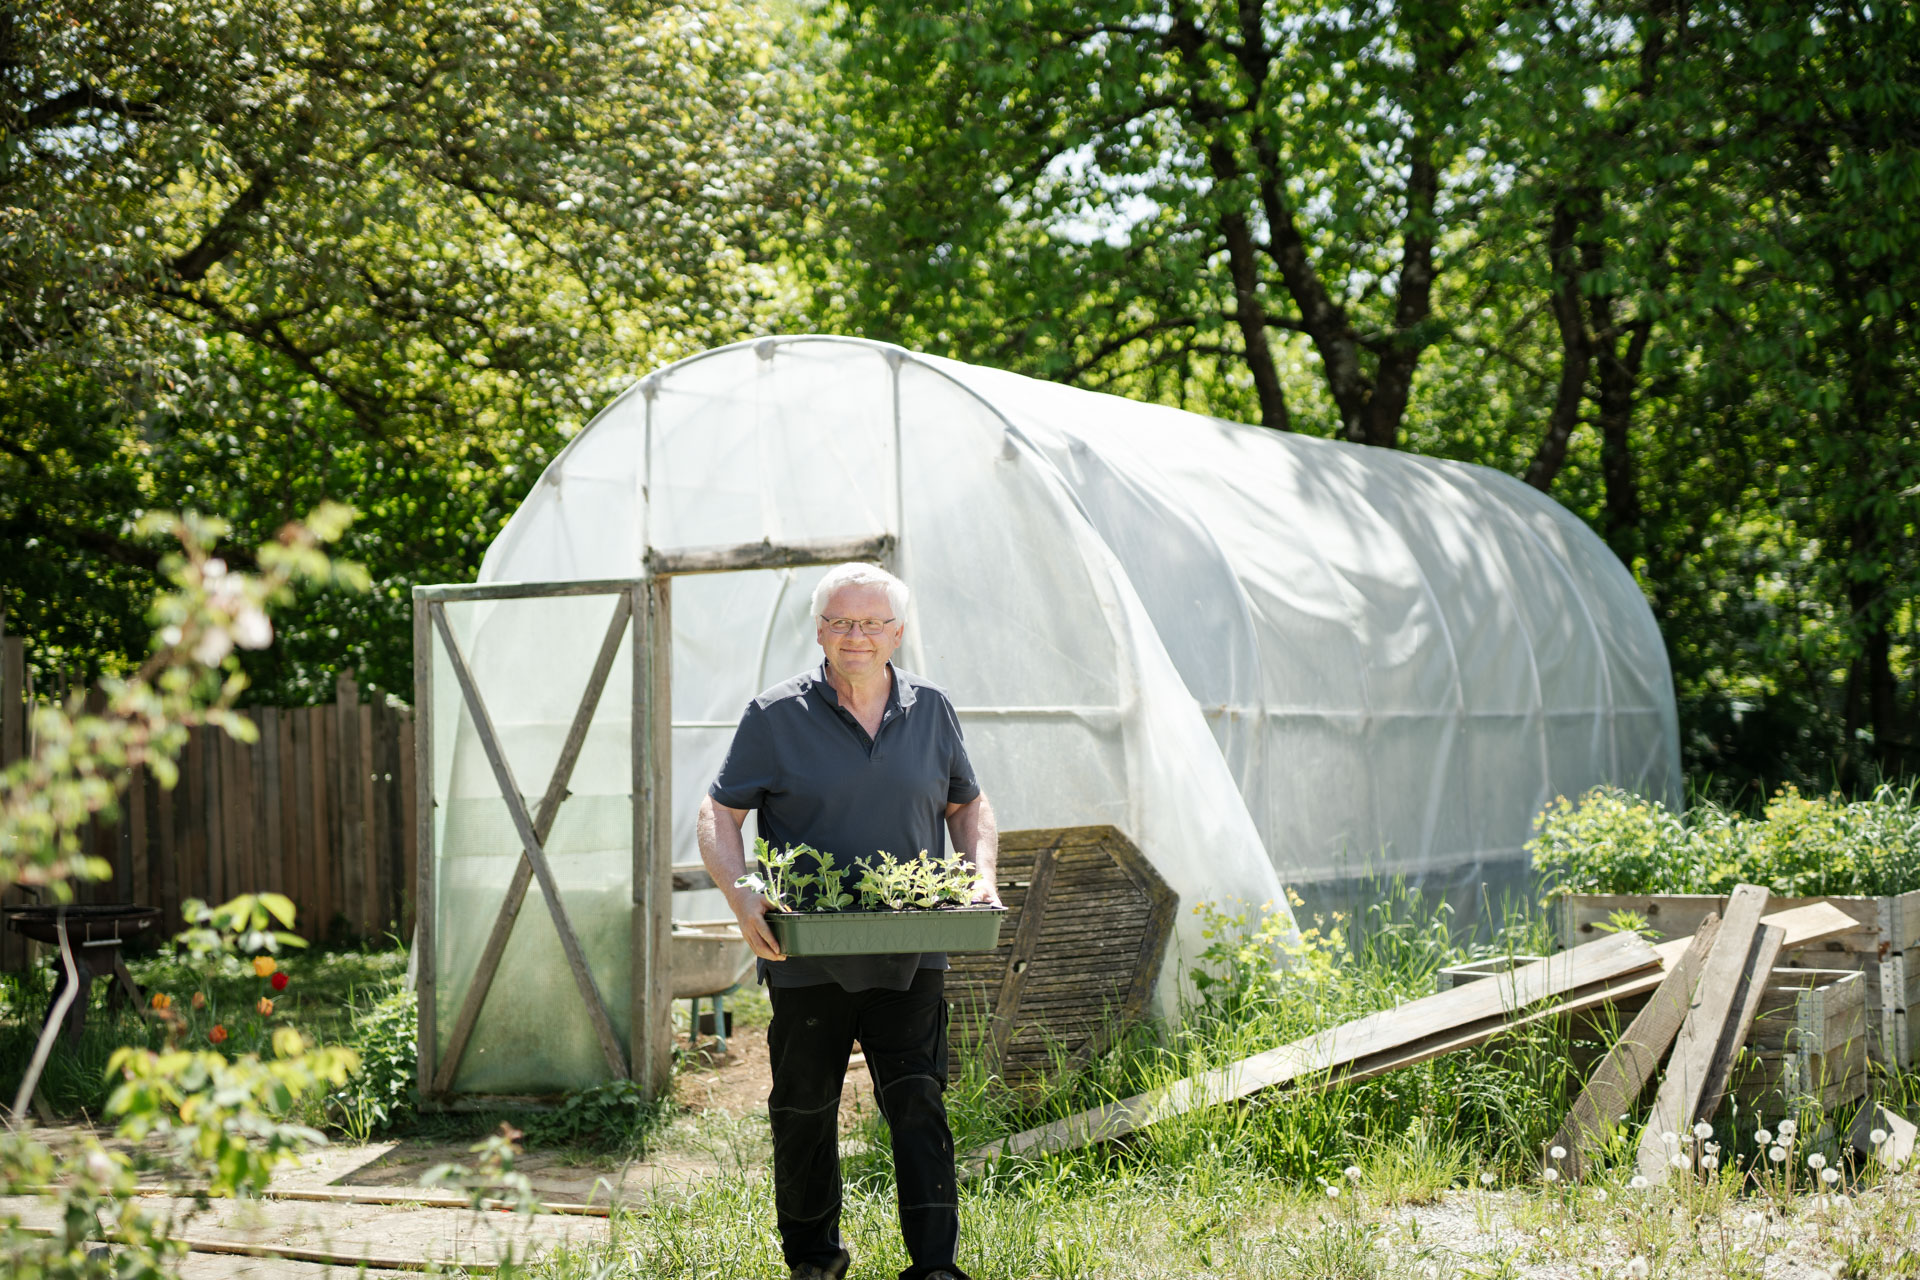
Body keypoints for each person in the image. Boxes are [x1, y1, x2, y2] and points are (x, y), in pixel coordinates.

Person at [697, 562, 1000, 1280]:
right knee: (804, 1108)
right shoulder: (775, 715)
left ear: (897, 632)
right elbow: (719, 812)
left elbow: (967, 804)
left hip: (912, 949)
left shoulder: (932, 709)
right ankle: (815, 1261)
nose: (854, 635)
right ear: (819, 631)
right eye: (839, 621)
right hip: (806, 952)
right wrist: (744, 896)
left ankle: (935, 1267)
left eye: (871, 623)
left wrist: (979, 876)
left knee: (918, 1103)